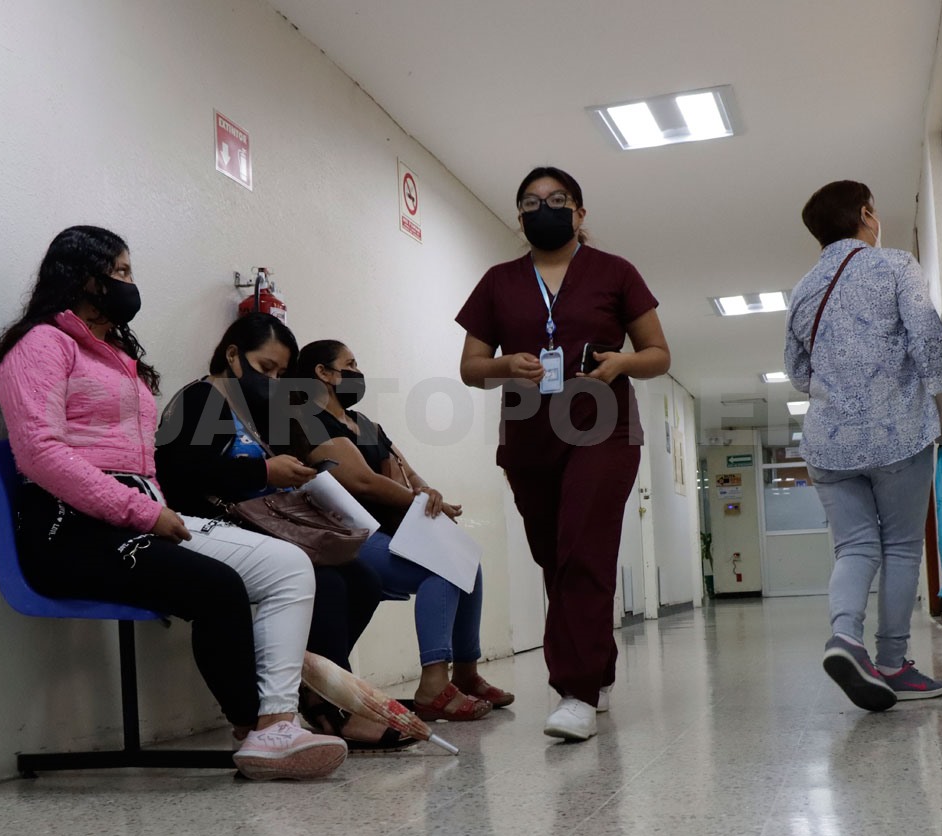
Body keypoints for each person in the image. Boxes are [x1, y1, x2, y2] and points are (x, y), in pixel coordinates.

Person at [0, 226, 346, 780]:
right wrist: (145, 512)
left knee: (290, 566)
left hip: (135, 517)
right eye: (121, 271)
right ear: (83, 275)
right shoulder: (41, 345)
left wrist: (152, 509)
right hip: (69, 529)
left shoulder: (115, 353)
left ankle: (277, 722)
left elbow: (139, 460)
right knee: (217, 586)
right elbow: (40, 454)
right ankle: (252, 729)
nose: (131, 284)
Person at [456, 166, 671, 741]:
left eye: (557, 199)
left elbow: (658, 354)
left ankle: (574, 691)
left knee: (583, 550)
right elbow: (471, 367)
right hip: (529, 434)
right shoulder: (498, 281)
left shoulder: (615, 272)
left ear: (579, 212)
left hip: (603, 427)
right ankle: (597, 669)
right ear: (519, 216)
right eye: (530, 202)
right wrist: (506, 364)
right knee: (554, 557)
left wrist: (622, 362)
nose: (543, 208)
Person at [154, 313, 412, 752]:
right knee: (328, 583)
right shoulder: (201, 400)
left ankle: (314, 685)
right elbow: (179, 476)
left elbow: (290, 459)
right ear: (232, 355)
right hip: (211, 525)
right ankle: (331, 708)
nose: (273, 380)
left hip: (268, 525)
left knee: (363, 581)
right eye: (265, 368)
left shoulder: (265, 408)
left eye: (281, 373)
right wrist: (263, 472)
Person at [785, 180, 942, 712]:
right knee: (902, 547)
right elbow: (925, 333)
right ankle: (891, 664)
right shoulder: (895, 265)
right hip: (897, 434)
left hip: (828, 444)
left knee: (855, 547)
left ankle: (845, 638)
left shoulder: (803, 289)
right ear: (866, 215)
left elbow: (797, 373)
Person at [289, 340, 511, 723]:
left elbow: (406, 472)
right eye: (349, 364)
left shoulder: (365, 425)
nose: (357, 372)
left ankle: (466, 673)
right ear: (323, 373)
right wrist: (415, 498)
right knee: (441, 570)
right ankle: (433, 687)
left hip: (390, 530)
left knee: (467, 565)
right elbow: (363, 481)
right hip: (348, 535)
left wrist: (428, 493)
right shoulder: (308, 421)